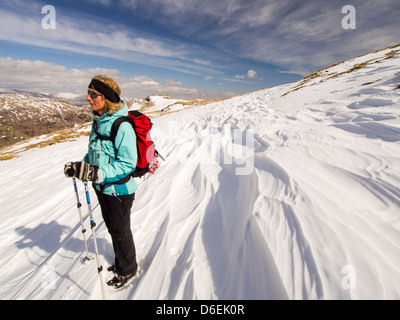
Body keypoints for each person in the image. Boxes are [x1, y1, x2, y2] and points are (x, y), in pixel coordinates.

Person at [64, 75, 138, 287]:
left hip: (119, 190)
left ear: (107, 98)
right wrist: (80, 166)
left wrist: (96, 174)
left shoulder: (121, 126)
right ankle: (122, 261)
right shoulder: (98, 121)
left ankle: (128, 269)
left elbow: (127, 164)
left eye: (93, 94)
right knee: (114, 228)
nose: (88, 98)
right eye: (89, 93)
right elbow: (95, 153)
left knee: (120, 230)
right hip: (103, 188)